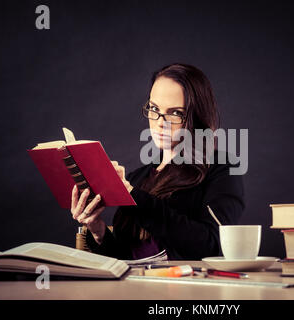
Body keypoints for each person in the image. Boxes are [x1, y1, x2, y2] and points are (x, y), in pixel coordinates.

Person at [70, 63, 245, 260]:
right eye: (154, 108)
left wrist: (133, 197)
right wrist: (97, 229)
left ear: (197, 116)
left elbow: (210, 246)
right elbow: (125, 259)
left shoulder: (221, 168)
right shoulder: (137, 178)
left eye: (176, 113)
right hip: (128, 289)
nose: (161, 122)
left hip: (183, 288)